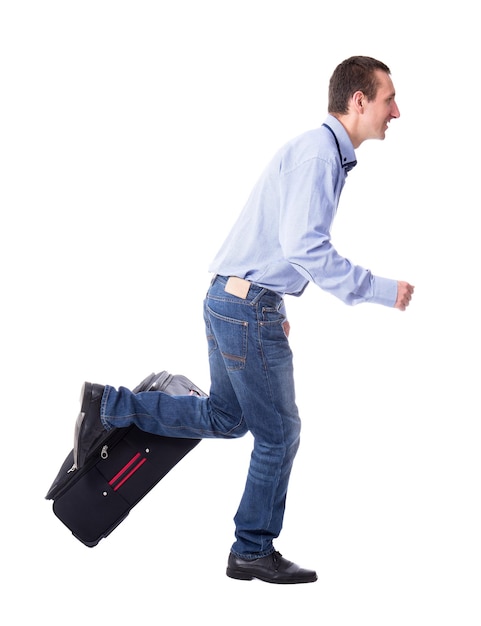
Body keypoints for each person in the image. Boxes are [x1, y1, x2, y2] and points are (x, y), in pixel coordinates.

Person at [73, 55, 414, 585]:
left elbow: (286, 245)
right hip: (245, 303)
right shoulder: (319, 155)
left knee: (227, 419)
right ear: (359, 100)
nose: (398, 111)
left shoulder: (318, 151)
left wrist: (270, 303)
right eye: (390, 99)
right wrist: (380, 290)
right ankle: (252, 548)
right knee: (280, 434)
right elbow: (304, 245)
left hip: (234, 299)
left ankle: (109, 404)